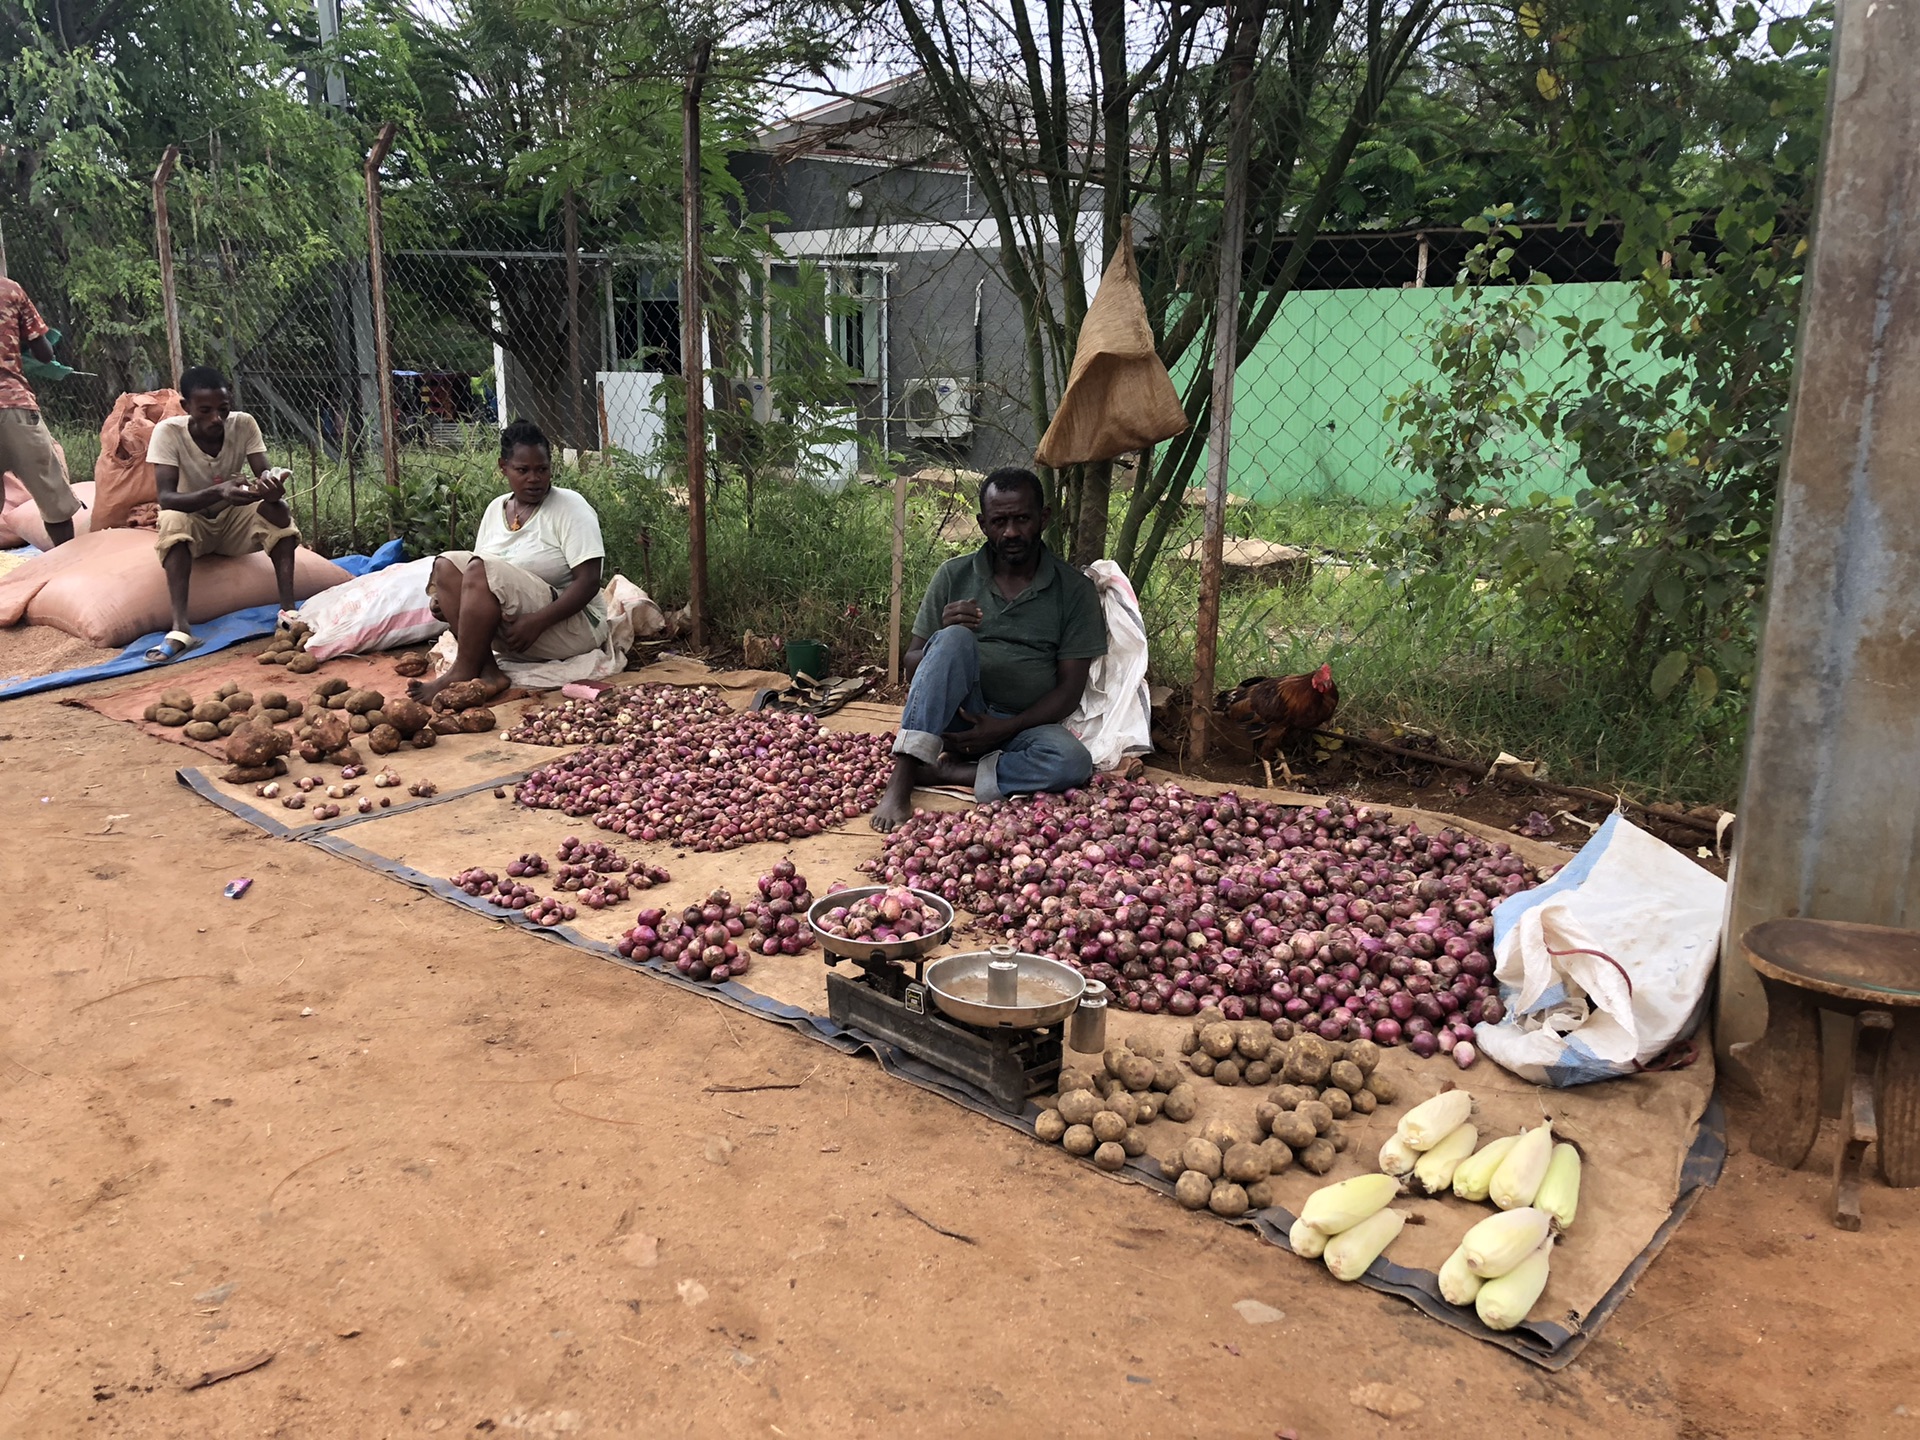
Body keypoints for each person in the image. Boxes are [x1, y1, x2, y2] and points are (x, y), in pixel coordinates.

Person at [870, 466, 1107, 832]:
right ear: (983, 524)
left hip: (1024, 726)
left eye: (1022, 519)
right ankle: (902, 776)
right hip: (958, 717)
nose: (1011, 532)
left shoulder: (1074, 590)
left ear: (1043, 518)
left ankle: (945, 770)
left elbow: (1069, 691)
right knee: (953, 638)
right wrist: (941, 638)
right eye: (999, 521)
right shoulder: (954, 575)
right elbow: (911, 664)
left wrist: (1005, 727)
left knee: (1072, 762)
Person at [411, 419, 607, 708]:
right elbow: (475, 580)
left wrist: (537, 622)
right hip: (512, 633)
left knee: (479, 570)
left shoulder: (570, 507)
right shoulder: (495, 509)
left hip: (567, 628)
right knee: (446, 566)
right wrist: (450, 600)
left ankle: (463, 670)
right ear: (503, 467)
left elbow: (589, 582)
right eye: (523, 470)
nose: (534, 478)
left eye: (542, 469)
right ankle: (489, 671)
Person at [145, 366, 301, 662]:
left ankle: (289, 612)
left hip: (233, 521)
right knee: (171, 517)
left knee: (279, 513)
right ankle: (181, 628)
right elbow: (166, 497)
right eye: (205, 410)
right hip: (194, 521)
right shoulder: (168, 433)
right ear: (186, 406)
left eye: (223, 409)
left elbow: (264, 473)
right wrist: (219, 492)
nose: (216, 418)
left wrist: (270, 489)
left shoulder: (244, 424)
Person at [0, 275, 83, 547]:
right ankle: (68, 565)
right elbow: (44, 354)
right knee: (52, 496)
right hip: (12, 405)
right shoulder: (11, 290)